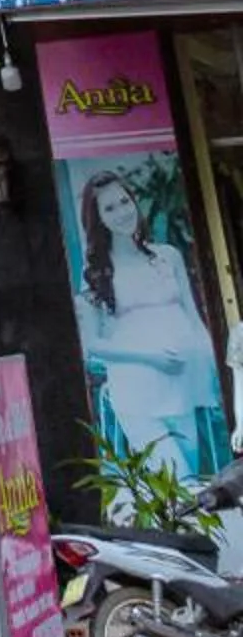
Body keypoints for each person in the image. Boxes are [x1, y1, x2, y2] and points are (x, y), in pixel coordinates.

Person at [76, 169, 222, 475]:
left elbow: (194, 319)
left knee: (192, 486)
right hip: (137, 395)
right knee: (177, 480)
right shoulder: (96, 273)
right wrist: (152, 358)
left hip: (182, 389)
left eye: (124, 201)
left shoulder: (168, 256)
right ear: (98, 218)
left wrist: (214, 372)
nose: (122, 213)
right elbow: (93, 345)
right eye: (109, 208)